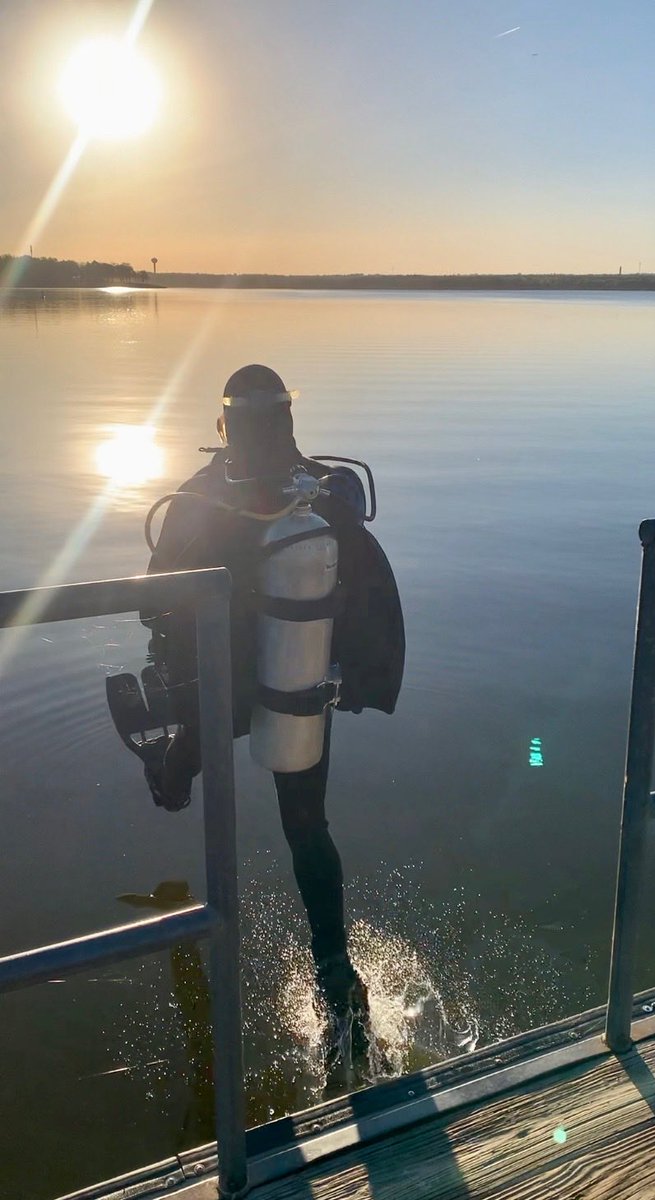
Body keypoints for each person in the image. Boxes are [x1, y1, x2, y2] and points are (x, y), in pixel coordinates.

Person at [109, 365, 404, 1078]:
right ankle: (336, 976)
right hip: (298, 681)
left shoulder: (196, 500)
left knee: (182, 776)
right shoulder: (327, 493)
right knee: (307, 826)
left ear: (224, 426)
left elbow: (155, 601)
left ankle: (172, 797)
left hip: (221, 688)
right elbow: (365, 587)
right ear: (288, 419)